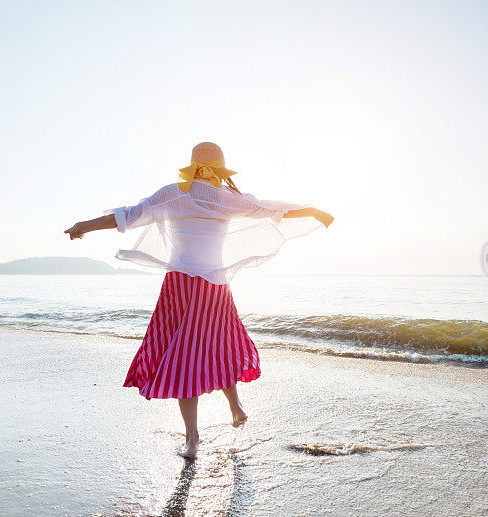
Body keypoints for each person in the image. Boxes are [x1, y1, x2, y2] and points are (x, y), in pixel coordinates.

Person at [64, 142, 333, 458]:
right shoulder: (228, 198)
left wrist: (85, 226)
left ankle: (193, 441)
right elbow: (273, 209)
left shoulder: (174, 193)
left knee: (184, 360)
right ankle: (236, 408)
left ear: (192, 166)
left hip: (180, 286)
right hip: (216, 288)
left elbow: (128, 215)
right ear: (219, 169)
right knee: (219, 347)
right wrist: (313, 210)